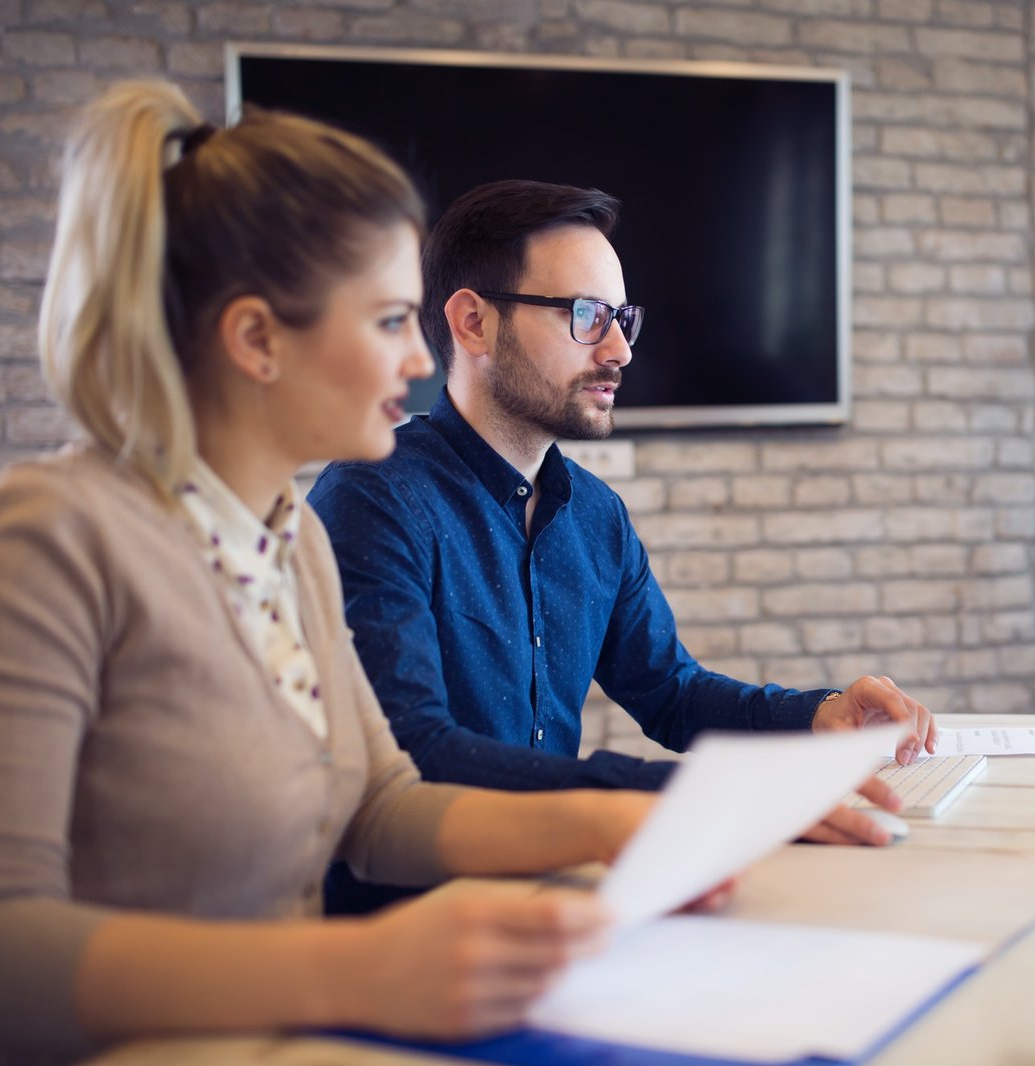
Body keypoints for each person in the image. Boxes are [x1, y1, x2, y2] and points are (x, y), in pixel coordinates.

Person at [0, 85, 668, 1066]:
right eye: (391, 320)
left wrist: (615, 821)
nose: (418, 357)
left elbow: (378, 805)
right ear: (258, 338)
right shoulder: (44, 539)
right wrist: (352, 970)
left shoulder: (286, 537)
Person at [308, 179, 940, 908]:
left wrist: (815, 715)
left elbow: (670, 691)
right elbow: (416, 751)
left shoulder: (594, 515)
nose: (619, 351)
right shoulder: (373, 495)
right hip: (404, 927)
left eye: (621, 319)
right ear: (473, 323)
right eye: (586, 316)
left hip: (556, 893)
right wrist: (701, 795)